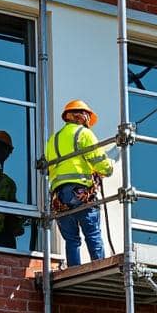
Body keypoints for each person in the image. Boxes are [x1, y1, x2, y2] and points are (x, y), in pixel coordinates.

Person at [46, 99, 113, 266]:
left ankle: (74, 268)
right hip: (80, 190)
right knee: (92, 233)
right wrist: (108, 169)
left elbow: (49, 167)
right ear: (82, 116)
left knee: (71, 239)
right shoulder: (84, 134)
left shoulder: (53, 139)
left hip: (59, 196)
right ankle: (99, 266)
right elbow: (99, 161)